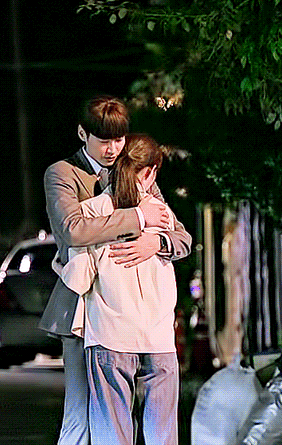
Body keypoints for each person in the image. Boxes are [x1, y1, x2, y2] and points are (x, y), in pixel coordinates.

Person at [40, 96, 191, 445]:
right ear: (83, 134)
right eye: (104, 140)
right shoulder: (63, 173)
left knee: (130, 414)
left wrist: (157, 242)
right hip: (83, 306)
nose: (112, 149)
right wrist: (137, 218)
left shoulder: (133, 169)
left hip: (136, 312)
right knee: (81, 414)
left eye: (119, 140)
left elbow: (179, 236)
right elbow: (73, 229)